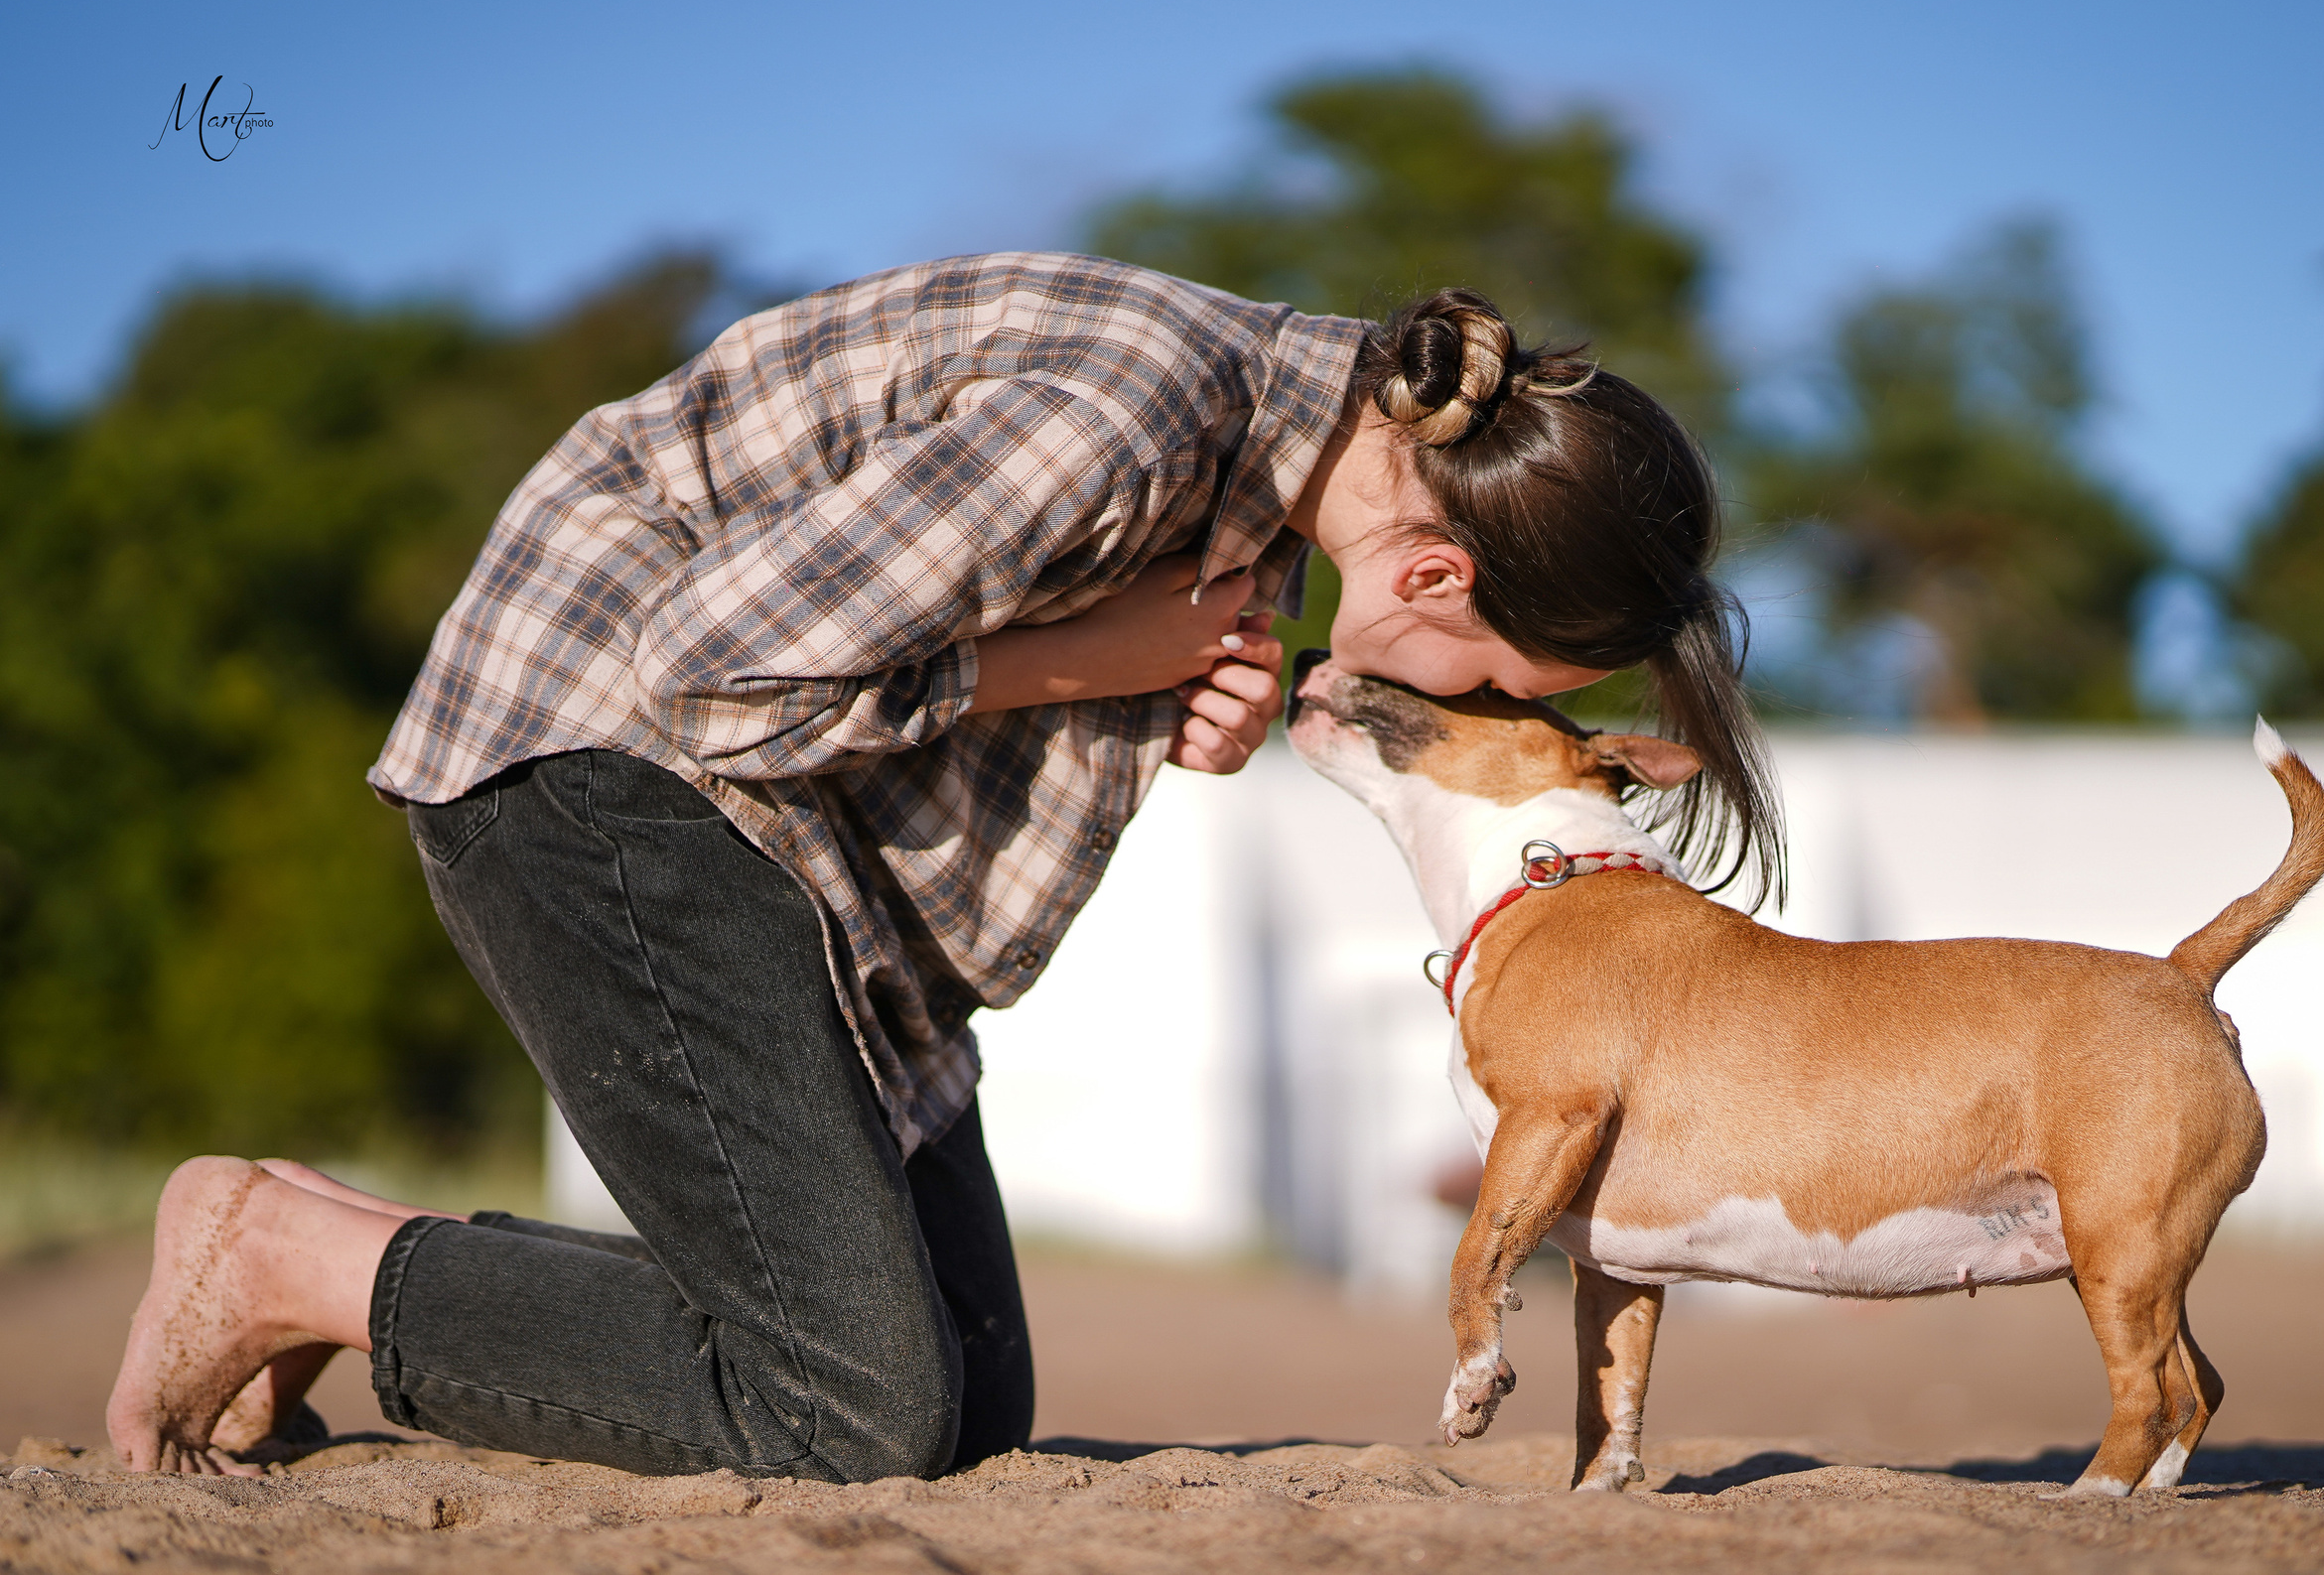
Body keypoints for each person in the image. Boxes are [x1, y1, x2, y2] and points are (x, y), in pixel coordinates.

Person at [107, 253, 1783, 1479]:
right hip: (593, 766)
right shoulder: (1128, 418)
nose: (1458, 705)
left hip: (789, 852)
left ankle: (339, 1244)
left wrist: (1139, 683)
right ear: (1433, 573)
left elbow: (948, 647)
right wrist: (1078, 664)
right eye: (1500, 683)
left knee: (966, 1409)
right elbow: (708, 668)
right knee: (851, 1404)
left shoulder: (1267, 479)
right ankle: (279, 1256)